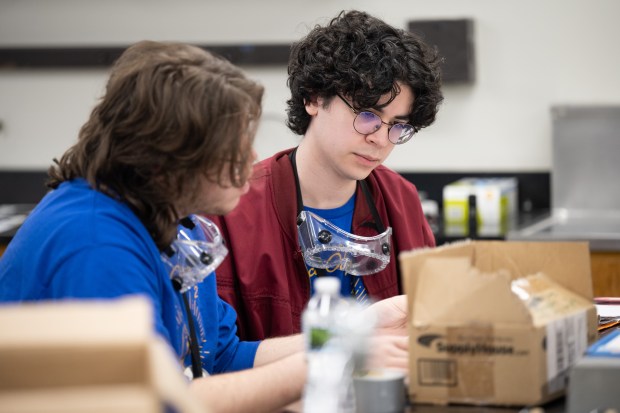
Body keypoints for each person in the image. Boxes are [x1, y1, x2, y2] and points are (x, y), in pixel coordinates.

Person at [0, 40, 409, 413]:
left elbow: (224, 356)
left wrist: (357, 331)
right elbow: (155, 402)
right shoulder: (94, 244)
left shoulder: (181, 223)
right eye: (231, 146)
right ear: (170, 152)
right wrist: (332, 359)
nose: (250, 158)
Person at [209, 10, 444, 341]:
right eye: (368, 115)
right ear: (314, 99)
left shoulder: (401, 200)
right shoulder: (233, 212)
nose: (380, 139)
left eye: (398, 126)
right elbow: (218, 356)